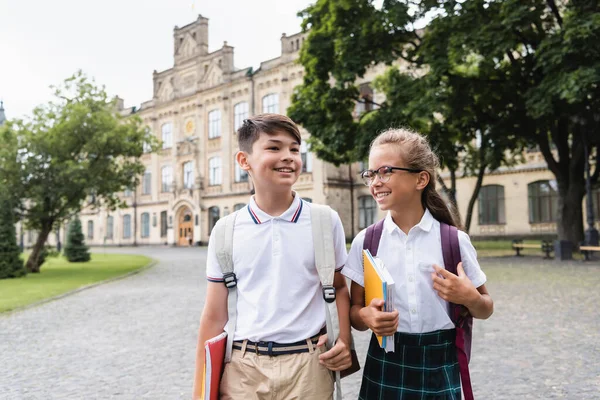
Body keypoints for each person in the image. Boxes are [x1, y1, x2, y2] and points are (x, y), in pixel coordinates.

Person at [192, 114, 352, 400]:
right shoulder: (225, 231)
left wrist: (344, 338)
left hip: (309, 365)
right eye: (274, 148)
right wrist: (200, 391)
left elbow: (338, 287)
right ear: (244, 161)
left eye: (294, 149)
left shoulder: (325, 221)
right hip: (243, 366)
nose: (288, 157)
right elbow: (214, 316)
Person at [342, 128, 494, 400]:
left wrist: (468, 297)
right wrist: (367, 316)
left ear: (421, 179)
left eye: (385, 171)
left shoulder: (454, 241)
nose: (375, 181)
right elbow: (356, 312)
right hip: (386, 361)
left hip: (440, 363)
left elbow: (485, 308)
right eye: (370, 174)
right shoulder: (365, 242)